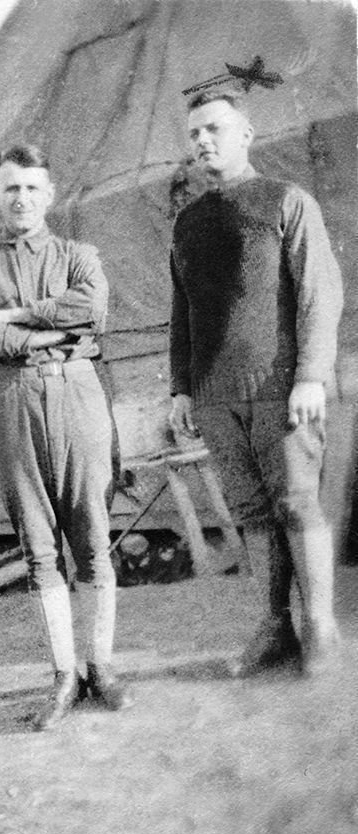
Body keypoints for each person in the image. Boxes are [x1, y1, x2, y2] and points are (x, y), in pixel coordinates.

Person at [0, 143, 132, 728]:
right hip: (12, 403)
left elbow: (94, 310)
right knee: (38, 546)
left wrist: (13, 317)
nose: (22, 199)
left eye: (32, 188)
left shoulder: (79, 255)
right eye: (11, 188)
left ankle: (101, 667)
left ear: (49, 195)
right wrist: (54, 330)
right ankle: (63, 675)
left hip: (78, 397)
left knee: (93, 536)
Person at [168, 89, 344, 675]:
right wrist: (181, 388)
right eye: (194, 134)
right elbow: (182, 312)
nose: (203, 141)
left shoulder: (286, 200)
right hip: (214, 396)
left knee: (296, 502)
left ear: (246, 133)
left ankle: (320, 627)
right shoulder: (187, 223)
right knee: (250, 511)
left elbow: (320, 294)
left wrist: (311, 375)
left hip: (280, 387)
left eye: (214, 129)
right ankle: (275, 627)